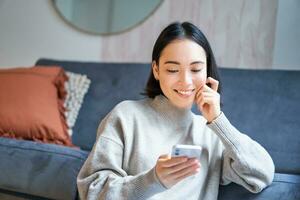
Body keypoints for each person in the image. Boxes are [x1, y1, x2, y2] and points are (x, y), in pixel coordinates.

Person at [77, 22, 274, 200]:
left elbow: (262, 174)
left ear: (207, 71)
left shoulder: (212, 133)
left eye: (196, 70)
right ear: (156, 70)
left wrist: (218, 120)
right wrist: (152, 180)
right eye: (172, 70)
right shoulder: (125, 116)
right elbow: (91, 191)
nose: (186, 81)